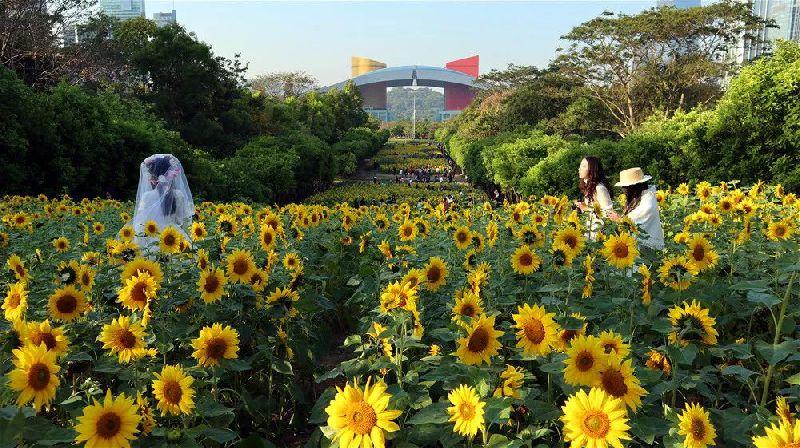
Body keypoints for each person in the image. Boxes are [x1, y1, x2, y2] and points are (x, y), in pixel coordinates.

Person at [131, 154, 194, 253]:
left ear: (154, 175)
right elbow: (184, 220)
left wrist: (139, 242)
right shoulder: (178, 195)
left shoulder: (147, 196)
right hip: (173, 238)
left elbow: (140, 224)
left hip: (152, 241)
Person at [611, 167, 664, 250]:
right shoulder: (642, 196)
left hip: (648, 248)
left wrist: (619, 219)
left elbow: (636, 219)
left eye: (624, 187)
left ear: (632, 187)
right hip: (641, 246)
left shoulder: (648, 201)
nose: (623, 190)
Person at [575, 156, 614, 239]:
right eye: (580, 165)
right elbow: (594, 208)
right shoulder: (589, 188)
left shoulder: (599, 188)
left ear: (592, 169)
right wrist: (582, 207)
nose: (580, 168)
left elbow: (609, 214)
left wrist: (586, 208)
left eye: (584, 166)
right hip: (591, 232)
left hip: (600, 235)